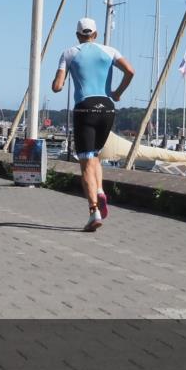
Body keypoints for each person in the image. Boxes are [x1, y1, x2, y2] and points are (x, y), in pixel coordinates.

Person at [52, 18, 135, 232]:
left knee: (86, 162)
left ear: (78, 35)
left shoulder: (69, 53)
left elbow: (57, 87)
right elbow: (130, 71)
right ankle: (99, 190)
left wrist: (62, 79)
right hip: (107, 109)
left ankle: (93, 211)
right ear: (95, 35)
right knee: (95, 155)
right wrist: (117, 93)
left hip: (85, 109)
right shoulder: (110, 51)